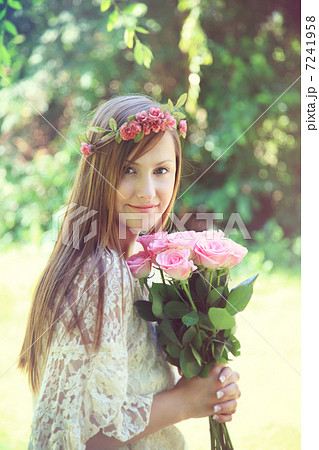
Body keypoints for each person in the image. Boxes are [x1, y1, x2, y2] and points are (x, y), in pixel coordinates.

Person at [18, 94, 241, 449]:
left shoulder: (115, 263)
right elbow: (80, 437)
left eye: (161, 171)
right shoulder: (101, 272)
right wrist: (185, 402)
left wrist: (202, 375)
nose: (148, 192)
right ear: (99, 173)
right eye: (128, 170)